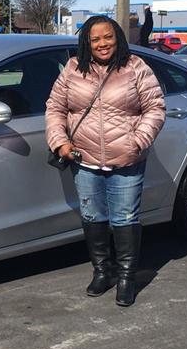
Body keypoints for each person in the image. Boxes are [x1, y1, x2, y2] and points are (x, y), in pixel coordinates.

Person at [45, 15, 166, 306]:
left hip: (126, 161)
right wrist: (60, 142)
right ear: (86, 41)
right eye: (95, 38)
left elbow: (156, 108)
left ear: (118, 38)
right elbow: (55, 108)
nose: (102, 43)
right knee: (92, 217)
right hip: (84, 160)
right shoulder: (73, 69)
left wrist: (136, 142)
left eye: (108, 37)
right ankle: (103, 271)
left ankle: (126, 278)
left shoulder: (136, 68)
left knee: (125, 218)